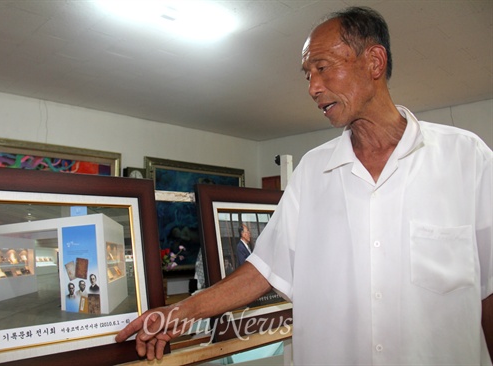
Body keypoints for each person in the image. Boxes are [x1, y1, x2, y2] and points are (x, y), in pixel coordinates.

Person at [116, 6, 492, 364]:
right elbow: (263, 269)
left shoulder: (467, 159)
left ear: (374, 62)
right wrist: (178, 311)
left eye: (323, 68)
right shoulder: (313, 172)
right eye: (307, 74)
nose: (313, 87)